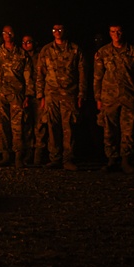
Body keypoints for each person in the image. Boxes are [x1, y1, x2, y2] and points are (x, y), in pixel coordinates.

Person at [93, 24, 134, 174]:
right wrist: (98, 98)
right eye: (112, 32)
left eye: (118, 31)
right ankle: (112, 160)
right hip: (109, 98)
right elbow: (97, 77)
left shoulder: (133, 52)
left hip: (129, 97)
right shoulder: (103, 52)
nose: (116, 34)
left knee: (128, 130)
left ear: (123, 33)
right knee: (109, 130)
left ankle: (126, 160)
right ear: (109, 34)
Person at [35, 24, 86, 171]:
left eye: (60, 30)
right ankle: (55, 158)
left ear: (65, 31)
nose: (57, 32)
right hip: (51, 95)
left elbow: (82, 73)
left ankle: (68, 159)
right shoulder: (46, 50)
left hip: (69, 95)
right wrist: (40, 96)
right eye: (54, 30)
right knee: (52, 127)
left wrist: (81, 94)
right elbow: (40, 74)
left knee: (68, 128)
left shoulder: (75, 49)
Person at [0, 25, 32, 168]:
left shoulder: (22, 54)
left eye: (10, 32)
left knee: (17, 127)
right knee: (1, 127)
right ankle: (5, 155)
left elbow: (28, 76)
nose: (7, 35)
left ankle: (18, 156)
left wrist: (28, 95)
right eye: (5, 33)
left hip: (17, 94)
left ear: (13, 34)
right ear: (2, 35)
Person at [21, 34, 48, 164]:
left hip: (38, 95)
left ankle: (39, 154)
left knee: (40, 125)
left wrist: (43, 96)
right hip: (24, 96)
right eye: (24, 42)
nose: (26, 45)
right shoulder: (19, 57)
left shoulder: (40, 57)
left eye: (29, 42)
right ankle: (29, 152)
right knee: (27, 125)